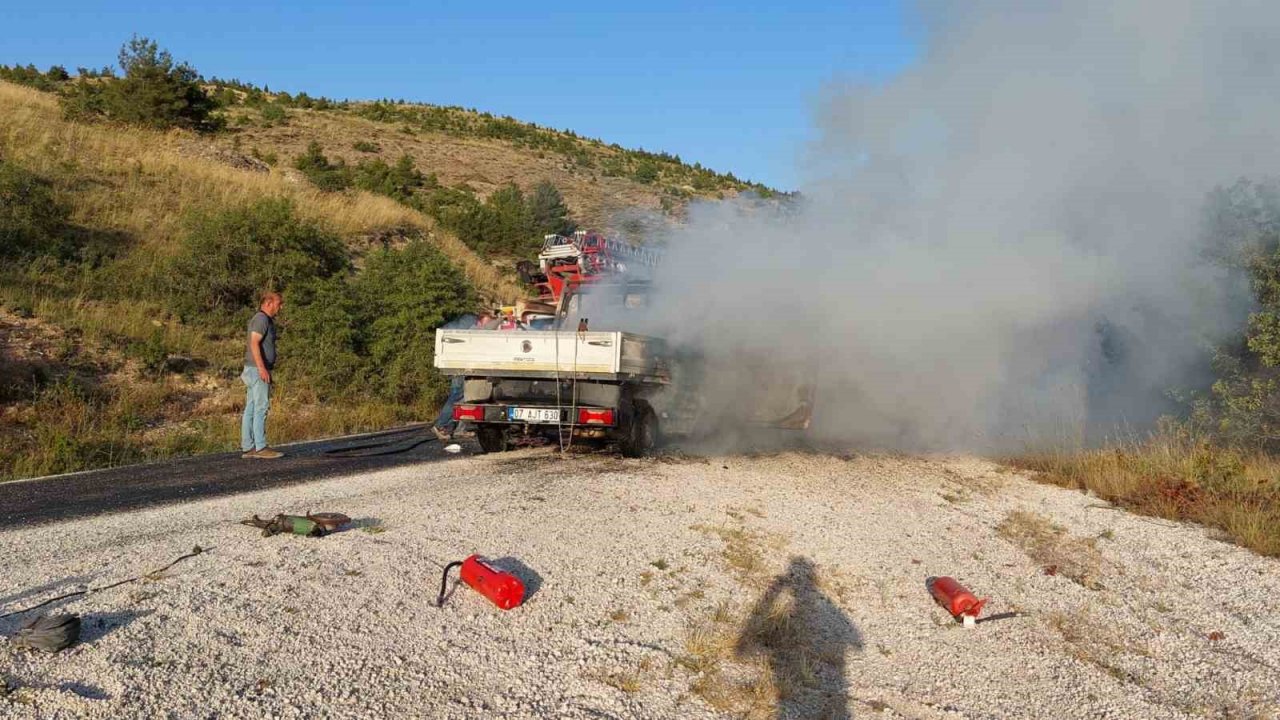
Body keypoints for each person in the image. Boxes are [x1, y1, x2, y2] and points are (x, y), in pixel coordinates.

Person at [432, 312, 493, 442]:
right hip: (460, 367)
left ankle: (458, 429)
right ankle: (440, 425)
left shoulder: (468, 327)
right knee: (456, 396)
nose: (487, 326)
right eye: (486, 323)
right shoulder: (473, 329)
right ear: (480, 321)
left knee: (465, 398)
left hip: (462, 367)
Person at [241, 291, 284, 459]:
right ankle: (260, 447)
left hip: (253, 369)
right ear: (268, 303)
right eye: (278, 303)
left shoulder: (263, 319)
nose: (280, 307)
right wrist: (262, 368)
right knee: (261, 407)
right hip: (257, 369)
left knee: (251, 408)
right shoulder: (261, 319)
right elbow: (254, 343)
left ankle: (248, 446)